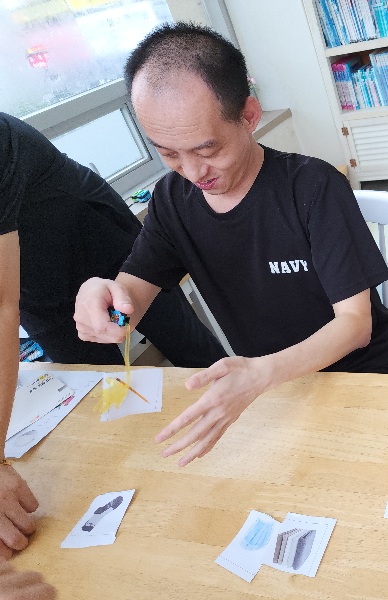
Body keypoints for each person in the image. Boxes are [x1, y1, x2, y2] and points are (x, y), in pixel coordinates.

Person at [74, 23, 388, 468]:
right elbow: (133, 293)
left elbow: (355, 325)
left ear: (249, 116)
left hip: (359, 377)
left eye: (207, 150)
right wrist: (106, 300)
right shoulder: (173, 200)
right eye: (168, 153)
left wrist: (261, 373)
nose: (193, 172)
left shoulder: (313, 187)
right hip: (271, 389)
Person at [0, 112, 228, 557]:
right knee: (100, 396)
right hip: (37, 285)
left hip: (99, 242)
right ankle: (157, 489)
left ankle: (241, 425)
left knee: (188, 347)